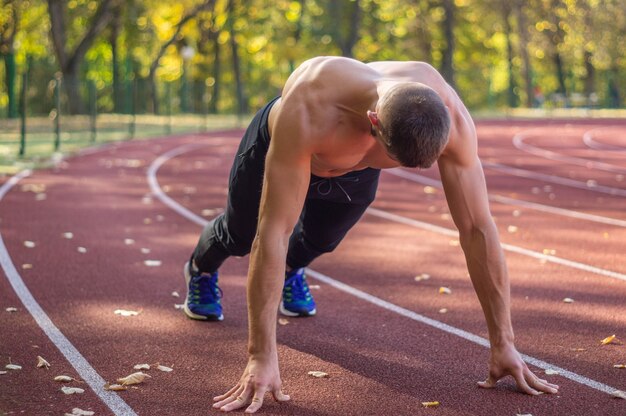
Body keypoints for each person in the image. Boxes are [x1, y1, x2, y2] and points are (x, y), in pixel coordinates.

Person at [183, 56, 560, 413]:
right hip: (284, 147)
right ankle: (200, 269)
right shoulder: (312, 101)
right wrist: (260, 356)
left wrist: (504, 343)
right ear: (373, 122)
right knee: (241, 234)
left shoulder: (450, 115)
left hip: (353, 170)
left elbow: (478, 229)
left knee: (321, 240)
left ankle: (291, 272)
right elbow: (274, 231)